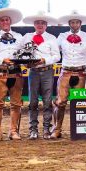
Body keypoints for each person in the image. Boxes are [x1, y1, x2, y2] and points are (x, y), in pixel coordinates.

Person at [52, 10, 86, 139]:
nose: (75, 24)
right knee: (60, 102)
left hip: (81, 72)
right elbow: (54, 52)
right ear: (69, 23)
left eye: (77, 22)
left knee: (80, 102)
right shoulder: (61, 36)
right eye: (72, 22)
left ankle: (81, 129)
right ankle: (57, 129)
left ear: (80, 23)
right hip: (65, 72)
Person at [0, 8, 24, 141]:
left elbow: (24, 53)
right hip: (1, 71)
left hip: (16, 72)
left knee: (16, 103)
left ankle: (13, 131)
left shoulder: (19, 36)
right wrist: (2, 60)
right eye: (2, 20)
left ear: (10, 21)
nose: (5, 22)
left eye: (7, 19)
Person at [22, 11, 60, 140]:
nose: (40, 25)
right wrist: (25, 63)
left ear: (46, 25)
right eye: (38, 23)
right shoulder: (27, 37)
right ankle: (33, 129)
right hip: (33, 72)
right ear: (34, 24)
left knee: (47, 101)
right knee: (32, 101)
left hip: (47, 71)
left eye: (42, 23)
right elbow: (21, 54)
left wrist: (45, 60)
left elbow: (57, 56)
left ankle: (46, 128)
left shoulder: (51, 38)